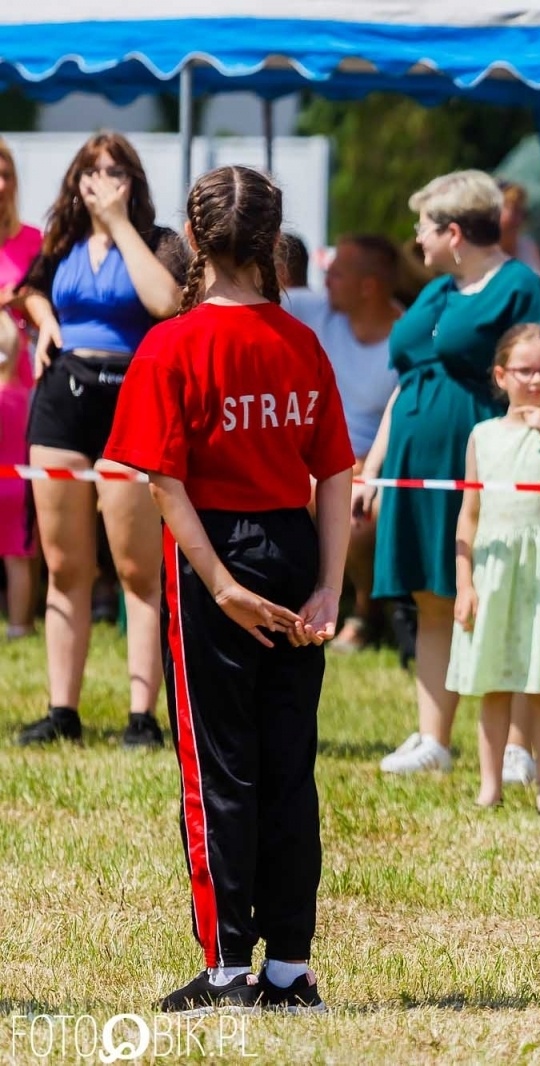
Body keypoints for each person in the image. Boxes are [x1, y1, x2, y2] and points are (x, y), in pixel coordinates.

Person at [102, 165, 353, 1014]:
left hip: (216, 552)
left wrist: (219, 587)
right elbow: (336, 476)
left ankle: (223, 971)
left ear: (197, 241)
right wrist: (328, 587)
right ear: (271, 242)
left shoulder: (170, 344)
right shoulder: (301, 340)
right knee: (289, 764)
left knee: (220, 768)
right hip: (289, 543)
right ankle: (289, 969)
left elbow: (164, 483)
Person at [363, 170, 540, 777]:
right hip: (416, 460)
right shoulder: (438, 291)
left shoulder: (520, 287)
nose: (415, 240)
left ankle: (516, 748)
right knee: (432, 595)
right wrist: (373, 467)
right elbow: (408, 379)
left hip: (486, 459)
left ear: (454, 232)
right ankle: (435, 740)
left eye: (423, 227)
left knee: (503, 596)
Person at [16, 131, 186, 748]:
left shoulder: (159, 241)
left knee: (138, 570)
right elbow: (28, 287)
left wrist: (119, 223)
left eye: (116, 170)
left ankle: (143, 716)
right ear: (76, 179)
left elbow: (166, 302)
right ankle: (64, 710)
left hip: (132, 402)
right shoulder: (60, 239)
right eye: (93, 169)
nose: (103, 179)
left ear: (133, 180)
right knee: (64, 566)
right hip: (62, 402)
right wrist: (45, 320)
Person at [450, 324, 540, 813]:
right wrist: (463, 581)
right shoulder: (482, 435)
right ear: (501, 375)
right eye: (524, 370)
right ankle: (489, 787)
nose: (535, 380)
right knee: (493, 682)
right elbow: (468, 513)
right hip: (495, 566)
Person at [284, 234, 402, 652]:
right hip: (311, 462)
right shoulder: (315, 310)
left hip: (370, 470)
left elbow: (400, 424)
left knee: (356, 519)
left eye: (335, 274)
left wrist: (365, 467)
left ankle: (364, 614)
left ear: (367, 286)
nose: (323, 281)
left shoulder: (403, 341)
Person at [0, 137, 41, 640]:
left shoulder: (36, 242)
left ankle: (20, 624)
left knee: (16, 500)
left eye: (5, 171)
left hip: (19, 393)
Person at [497, 180, 540, 272]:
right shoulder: (480, 251)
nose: (518, 219)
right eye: (514, 210)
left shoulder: (529, 247)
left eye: (521, 211)